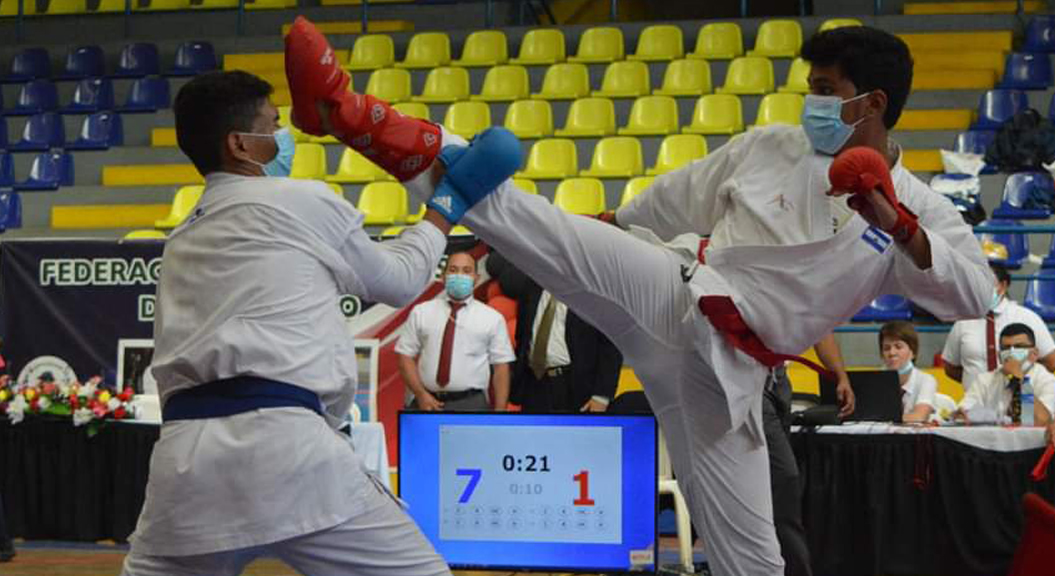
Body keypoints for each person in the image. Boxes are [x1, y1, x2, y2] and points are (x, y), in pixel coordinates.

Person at [287, 21, 995, 576]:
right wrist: (615, 229)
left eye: (825, 86)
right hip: (679, 294)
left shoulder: (921, 209)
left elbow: (975, 292)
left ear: (871, 103)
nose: (811, 101)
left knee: (757, 560)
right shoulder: (772, 145)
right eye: (809, 85)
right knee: (538, 224)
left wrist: (899, 227)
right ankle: (352, 115)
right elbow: (673, 197)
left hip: (733, 383)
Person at [120, 69, 518, 575]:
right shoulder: (300, 200)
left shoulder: (181, 237)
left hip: (185, 465)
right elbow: (398, 280)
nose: (284, 133)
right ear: (241, 144)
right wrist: (443, 208)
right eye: (274, 123)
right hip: (285, 447)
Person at [486, 251, 622, 413]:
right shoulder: (532, 285)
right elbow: (523, 334)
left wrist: (601, 396)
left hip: (573, 386)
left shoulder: (595, 294)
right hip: (534, 384)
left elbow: (611, 346)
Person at [396, 251, 515, 411]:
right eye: (453, 270)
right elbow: (404, 356)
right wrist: (420, 394)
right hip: (424, 402)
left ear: (476, 278)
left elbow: (501, 367)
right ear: (443, 277)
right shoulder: (421, 312)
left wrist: (499, 414)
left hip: (471, 404)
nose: (459, 275)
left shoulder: (492, 318)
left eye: (466, 271)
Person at [942, 264, 1055, 390]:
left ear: (1003, 286)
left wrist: (1021, 384)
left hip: (1020, 398)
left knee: (1028, 410)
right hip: (976, 404)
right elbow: (950, 367)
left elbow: (1052, 362)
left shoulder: (1027, 318)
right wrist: (980, 388)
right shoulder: (963, 321)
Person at [957, 323, 1055, 426]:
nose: (1011, 352)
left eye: (1019, 346)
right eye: (1006, 348)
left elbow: (1040, 421)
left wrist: (1018, 379)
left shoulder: (1048, 381)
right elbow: (962, 415)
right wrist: (962, 414)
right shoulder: (984, 380)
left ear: (1035, 353)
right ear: (999, 355)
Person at [879, 321, 936, 423]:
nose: (892, 353)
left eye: (898, 347)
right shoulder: (875, 380)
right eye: (886, 348)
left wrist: (883, 419)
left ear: (913, 352)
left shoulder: (926, 380)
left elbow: (919, 417)